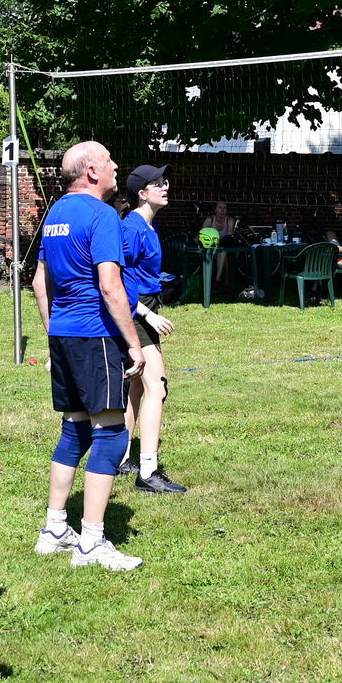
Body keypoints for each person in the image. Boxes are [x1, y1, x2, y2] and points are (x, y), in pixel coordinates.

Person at [31, 141, 147, 570]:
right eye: (110, 160)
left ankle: (54, 529)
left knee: (75, 429)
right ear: (93, 172)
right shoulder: (102, 215)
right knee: (112, 433)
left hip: (64, 334)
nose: (116, 166)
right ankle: (92, 541)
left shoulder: (55, 214)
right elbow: (110, 285)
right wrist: (133, 342)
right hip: (95, 334)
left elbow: (39, 282)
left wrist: (53, 332)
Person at [118, 164, 185, 495]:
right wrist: (146, 313)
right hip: (136, 312)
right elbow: (115, 278)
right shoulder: (131, 229)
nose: (165, 187)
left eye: (165, 181)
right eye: (158, 184)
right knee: (157, 387)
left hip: (143, 308)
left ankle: (119, 458)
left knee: (137, 387)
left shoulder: (146, 224)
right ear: (142, 193)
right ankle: (148, 472)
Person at [201, 200, 239, 293]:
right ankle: (226, 283)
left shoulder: (229, 220)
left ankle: (217, 281)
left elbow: (228, 238)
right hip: (213, 250)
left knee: (223, 252)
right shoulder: (210, 220)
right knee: (223, 253)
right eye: (220, 208)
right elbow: (202, 234)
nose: (222, 210)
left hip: (229, 250)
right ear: (215, 210)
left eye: (224, 208)